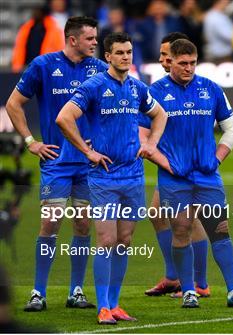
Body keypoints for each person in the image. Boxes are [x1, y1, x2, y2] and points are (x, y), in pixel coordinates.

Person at [55, 32, 167, 324]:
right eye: (119, 53)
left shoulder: (137, 88)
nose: (126, 57)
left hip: (133, 175)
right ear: (107, 56)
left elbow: (161, 115)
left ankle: (115, 304)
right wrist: (87, 152)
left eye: (129, 52)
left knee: (125, 240)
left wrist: (151, 144)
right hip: (103, 176)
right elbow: (64, 118)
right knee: (106, 240)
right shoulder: (94, 86)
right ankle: (103, 306)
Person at [149, 38, 233, 309]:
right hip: (174, 178)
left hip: (207, 176)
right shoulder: (154, 92)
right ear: (170, 62)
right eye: (183, 63)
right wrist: (167, 164)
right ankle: (188, 291)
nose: (188, 68)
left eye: (193, 63)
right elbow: (143, 139)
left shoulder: (211, 89)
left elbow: (231, 128)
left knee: (220, 230)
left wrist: (218, 157)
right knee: (182, 230)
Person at [6, 16, 108, 312]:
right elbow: (14, 104)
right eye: (90, 38)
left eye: (96, 38)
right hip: (56, 161)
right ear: (73, 39)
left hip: (88, 164)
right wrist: (30, 141)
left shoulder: (99, 69)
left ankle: (76, 290)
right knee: (50, 222)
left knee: (82, 223)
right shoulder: (43, 65)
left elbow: (113, 108)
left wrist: (100, 141)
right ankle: (38, 292)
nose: (95, 43)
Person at [142, 32, 211, 298]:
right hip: (171, 166)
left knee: (190, 220)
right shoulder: (160, 88)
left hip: (189, 166)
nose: (162, 59)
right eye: (161, 55)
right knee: (158, 213)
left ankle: (199, 283)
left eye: (166, 55)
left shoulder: (196, 86)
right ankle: (174, 277)